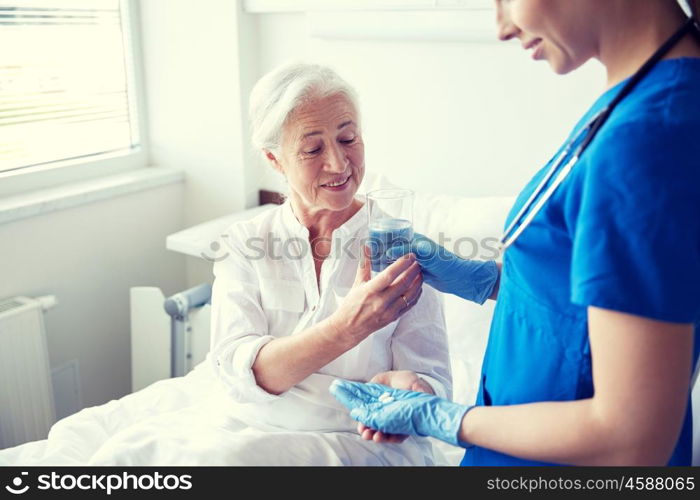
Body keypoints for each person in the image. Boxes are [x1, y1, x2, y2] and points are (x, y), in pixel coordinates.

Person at [332, 0, 700, 466]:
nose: (502, 26)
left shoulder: (647, 138)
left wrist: (442, 419)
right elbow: (592, 294)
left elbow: (633, 437)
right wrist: (476, 277)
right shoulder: (642, 96)